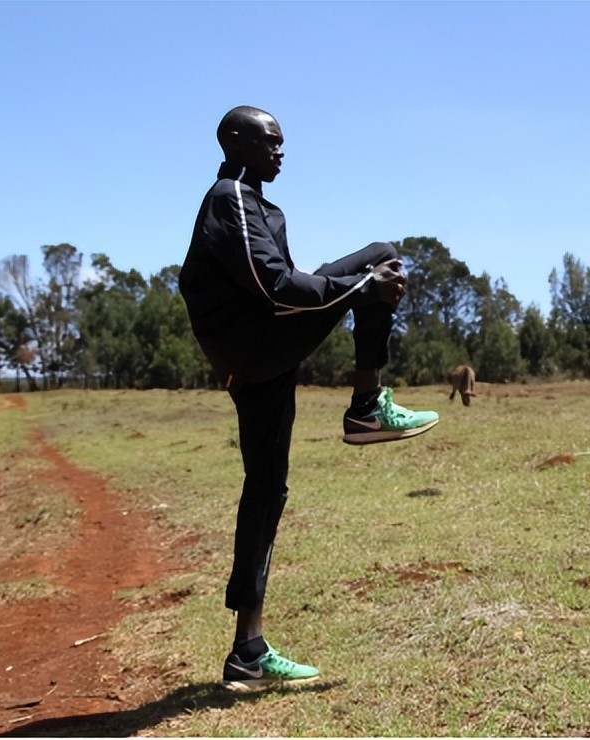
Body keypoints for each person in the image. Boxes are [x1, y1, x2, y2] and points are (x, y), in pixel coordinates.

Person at [179, 105, 439, 691]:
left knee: (267, 490)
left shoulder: (259, 206)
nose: (281, 151)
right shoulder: (230, 199)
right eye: (271, 141)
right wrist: (360, 289)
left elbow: (281, 284)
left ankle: (247, 650)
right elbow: (274, 287)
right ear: (238, 142)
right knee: (378, 261)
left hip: (261, 356)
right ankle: (367, 406)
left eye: (282, 142)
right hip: (255, 347)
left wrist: (355, 290)